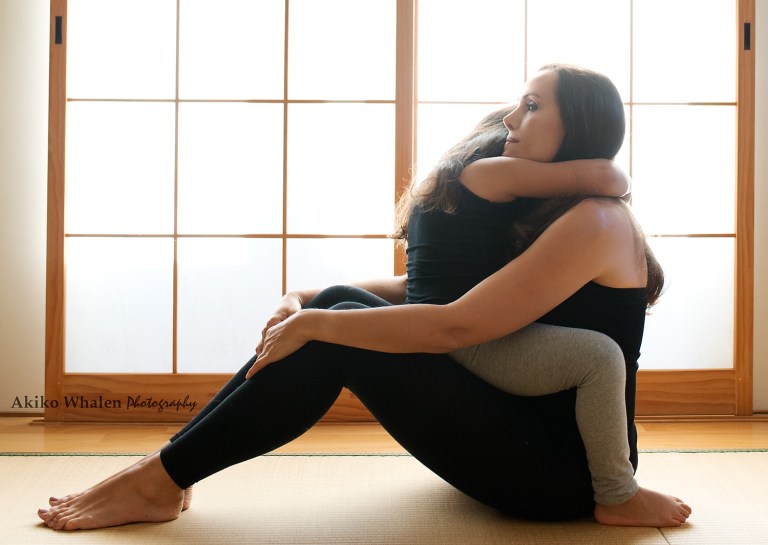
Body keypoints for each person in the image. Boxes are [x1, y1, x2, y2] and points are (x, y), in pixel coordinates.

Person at [38, 65, 691, 531]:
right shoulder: (547, 211)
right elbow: (443, 295)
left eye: (533, 105)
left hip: (561, 471)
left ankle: (161, 478)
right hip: (518, 425)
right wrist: (308, 297)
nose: (509, 118)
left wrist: (323, 322)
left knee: (335, 332)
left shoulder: (594, 219)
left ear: (577, 128)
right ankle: (168, 467)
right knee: (340, 305)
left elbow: (452, 325)